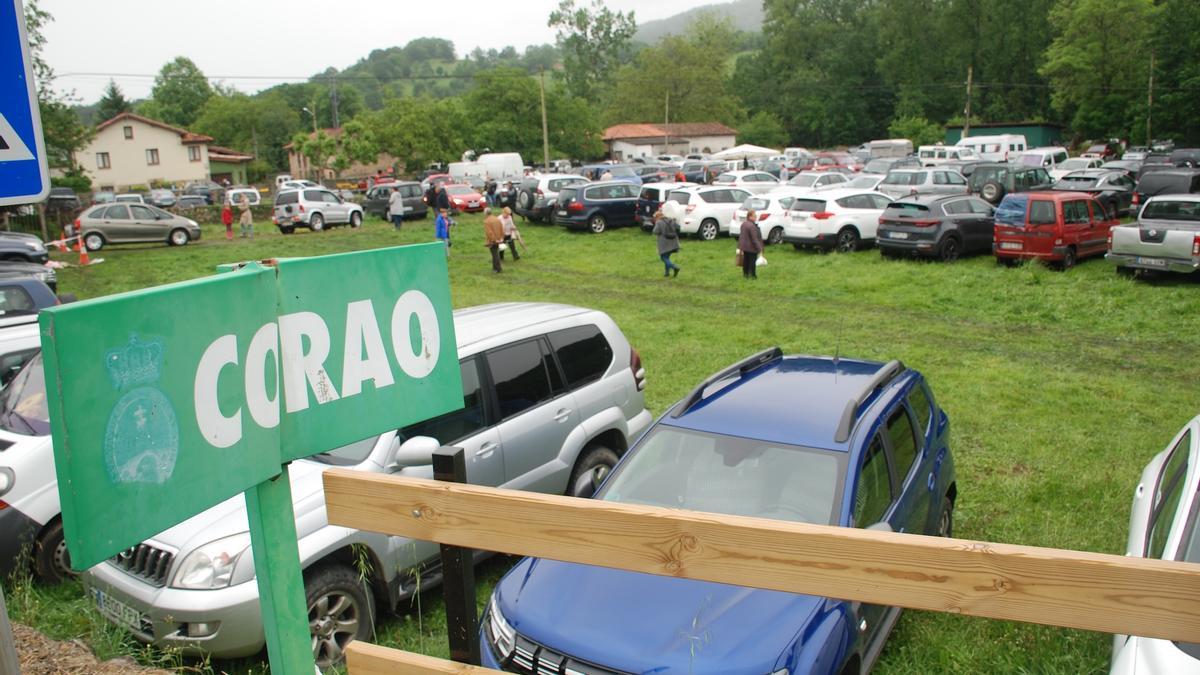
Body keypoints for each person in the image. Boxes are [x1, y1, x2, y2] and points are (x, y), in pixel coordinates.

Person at [652, 209, 681, 278]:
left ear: (657, 217)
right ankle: (667, 273)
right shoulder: (671, 220)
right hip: (673, 242)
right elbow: (678, 228)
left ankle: (675, 267)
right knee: (667, 257)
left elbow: (655, 231)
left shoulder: (659, 222)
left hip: (664, 244)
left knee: (663, 258)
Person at [738, 209, 765, 279]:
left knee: (746, 261)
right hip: (752, 248)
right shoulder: (752, 226)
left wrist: (740, 246)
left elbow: (742, 236)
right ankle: (753, 275)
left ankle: (745, 274)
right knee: (752, 262)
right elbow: (754, 239)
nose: (756, 217)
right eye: (754, 216)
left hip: (744, 247)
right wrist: (760, 248)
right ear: (750, 216)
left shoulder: (744, 224)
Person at [483, 207, 505, 273]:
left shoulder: (486, 221)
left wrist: (493, 240)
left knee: (495, 254)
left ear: (486, 213)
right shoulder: (497, 219)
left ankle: (497, 269)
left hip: (493, 241)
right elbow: (502, 229)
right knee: (495, 254)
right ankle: (495, 268)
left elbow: (489, 232)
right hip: (499, 239)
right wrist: (501, 238)